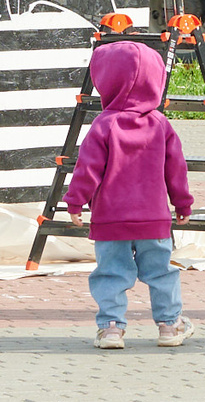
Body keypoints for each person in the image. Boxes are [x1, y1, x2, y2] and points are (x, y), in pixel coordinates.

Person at [64, 38, 196, 350]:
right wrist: (182, 203)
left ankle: (111, 328)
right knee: (162, 273)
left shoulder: (103, 125)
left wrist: (75, 201)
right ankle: (169, 325)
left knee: (110, 273)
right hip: (154, 219)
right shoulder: (160, 124)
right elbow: (176, 169)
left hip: (111, 220)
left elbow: (87, 168)